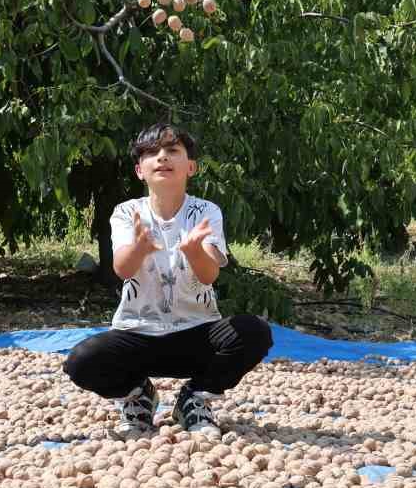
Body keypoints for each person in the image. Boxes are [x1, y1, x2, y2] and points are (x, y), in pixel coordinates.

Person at [63, 123, 273, 436]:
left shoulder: (206, 211)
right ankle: (138, 396)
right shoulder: (126, 212)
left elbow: (208, 274)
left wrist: (193, 251)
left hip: (196, 332)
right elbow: (122, 269)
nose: (162, 157)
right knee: (82, 361)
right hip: (137, 332)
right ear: (139, 170)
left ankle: (194, 399)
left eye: (172, 151)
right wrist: (140, 246)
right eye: (152, 153)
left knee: (253, 332)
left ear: (191, 167)